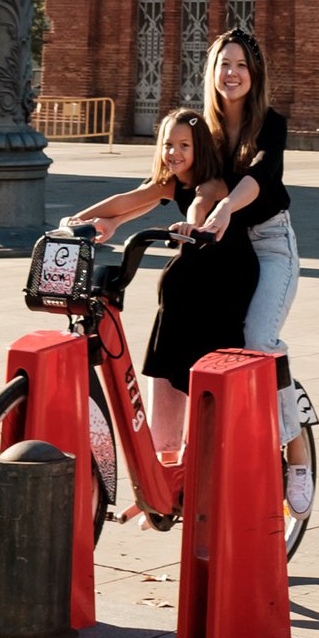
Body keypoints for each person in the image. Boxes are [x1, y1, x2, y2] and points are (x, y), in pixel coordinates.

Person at [67, 108, 257, 457]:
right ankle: (166, 452)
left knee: (207, 355)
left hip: (226, 277)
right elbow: (129, 200)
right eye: (168, 144)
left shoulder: (212, 181)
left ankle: (202, 439)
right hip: (193, 276)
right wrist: (78, 220)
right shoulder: (172, 181)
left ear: (200, 147)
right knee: (168, 352)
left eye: (184, 145)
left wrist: (192, 225)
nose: (174, 152)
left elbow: (201, 203)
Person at [194, 27, 313, 520]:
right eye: (224, 64)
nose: (232, 73)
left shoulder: (271, 123)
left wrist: (225, 206)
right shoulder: (202, 129)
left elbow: (261, 174)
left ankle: (297, 451)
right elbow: (173, 177)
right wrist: (112, 217)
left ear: (254, 74)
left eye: (241, 64)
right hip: (225, 249)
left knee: (260, 339)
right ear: (211, 71)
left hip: (270, 245)